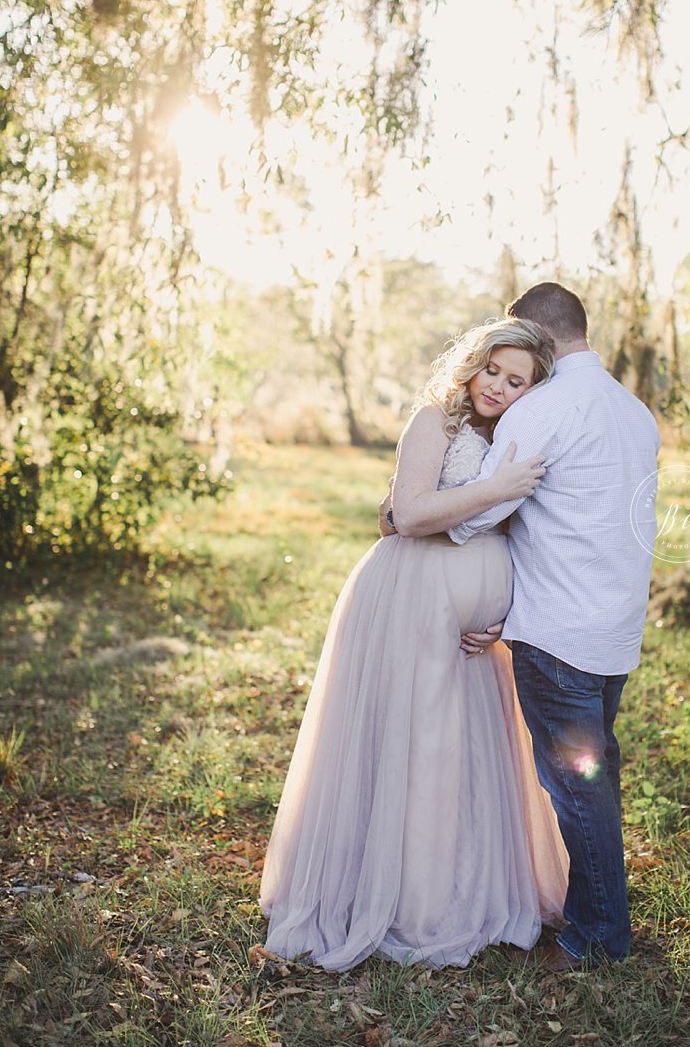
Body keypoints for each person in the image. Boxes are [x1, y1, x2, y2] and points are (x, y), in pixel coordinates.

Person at [259, 318, 569, 971]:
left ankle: (459, 890)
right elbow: (410, 514)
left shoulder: (518, 434)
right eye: (494, 370)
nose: (499, 387)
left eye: (517, 381)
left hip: (479, 635)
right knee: (411, 741)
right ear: (473, 364)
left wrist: (508, 615)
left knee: (459, 752)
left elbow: (530, 538)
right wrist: (495, 488)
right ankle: (400, 899)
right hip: (408, 602)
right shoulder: (434, 422)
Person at [446, 282, 661, 971]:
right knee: (593, 782)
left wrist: (414, 510)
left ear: (530, 332)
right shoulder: (636, 414)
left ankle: (598, 939)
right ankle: (596, 919)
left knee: (577, 787)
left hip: (557, 633)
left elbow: (474, 514)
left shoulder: (543, 407)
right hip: (613, 631)